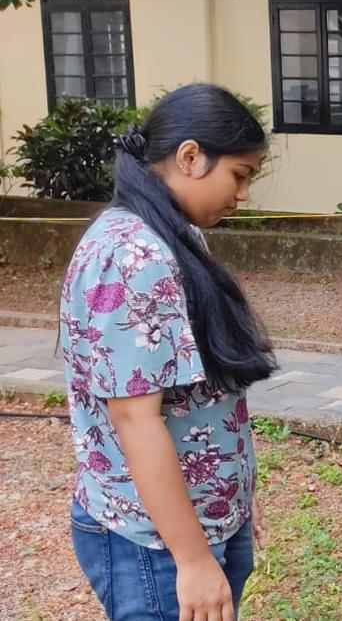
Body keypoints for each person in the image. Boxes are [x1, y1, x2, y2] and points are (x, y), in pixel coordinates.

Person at [61, 83, 277, 620]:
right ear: (190, 157)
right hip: (157, 546)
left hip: (199, 526)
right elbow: (136, 420)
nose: (242, 194)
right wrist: (193, 560)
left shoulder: (173, 234)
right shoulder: (134, 255)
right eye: (239, 175)